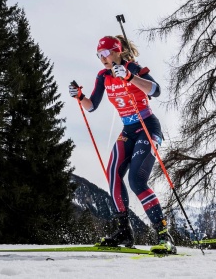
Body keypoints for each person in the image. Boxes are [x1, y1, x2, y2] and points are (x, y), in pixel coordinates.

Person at [68, 35, 176, 254]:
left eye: (106, 53)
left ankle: (165, 235)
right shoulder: (103, 76)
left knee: (137, 180)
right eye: (99, 55)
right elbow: (91, 106)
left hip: (147, 126)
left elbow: (156, 90)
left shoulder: (132, 67)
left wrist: (129, 77)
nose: (102, 59)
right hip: (128, 130)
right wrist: (79, 97)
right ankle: (124, 231)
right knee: (113, 173)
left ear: (117, 51)